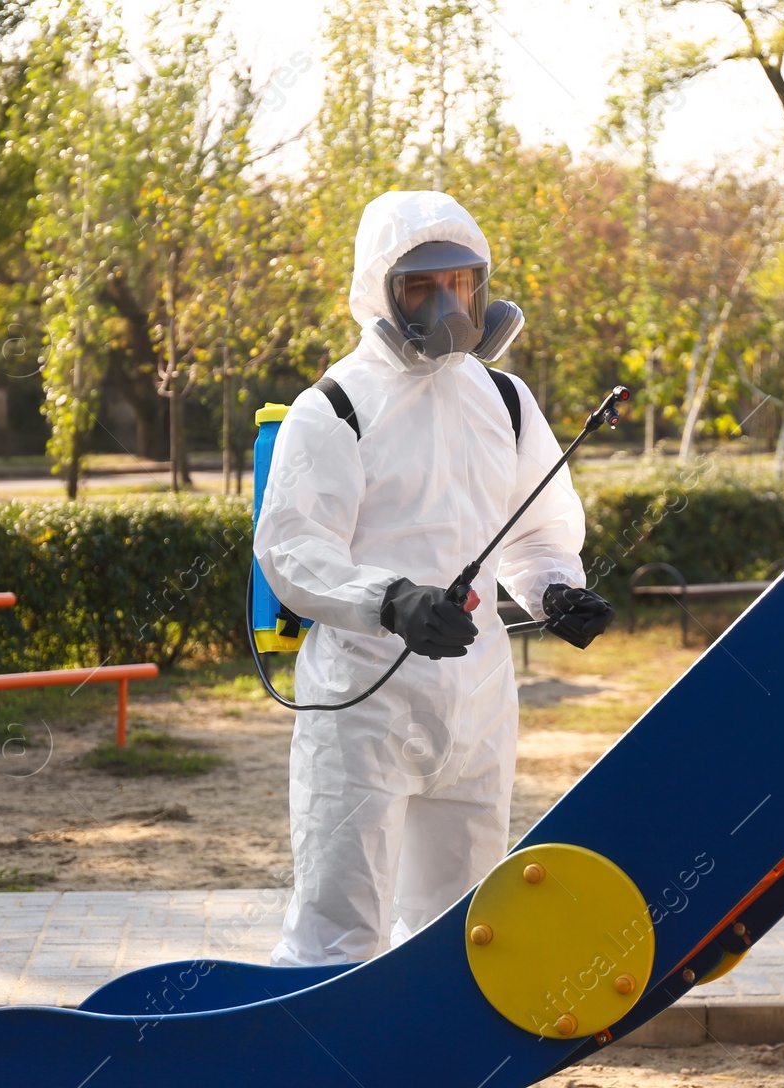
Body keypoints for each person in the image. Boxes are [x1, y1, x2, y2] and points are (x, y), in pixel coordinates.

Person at [254, 190, 615, 965]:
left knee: (464, 929)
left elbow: (535, 527)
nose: (450, 304)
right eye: (423, 287)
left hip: (478, 692)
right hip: (363, 700)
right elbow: (293, 550)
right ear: (381, 289)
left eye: (463, 283)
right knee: (339, 928)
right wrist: (392, 600)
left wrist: (554, 589)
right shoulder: (336, 406)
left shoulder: (506, 400)